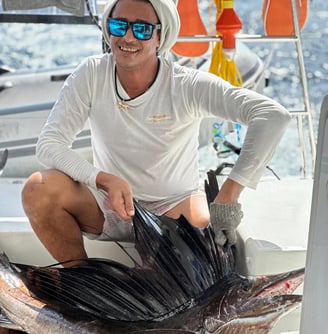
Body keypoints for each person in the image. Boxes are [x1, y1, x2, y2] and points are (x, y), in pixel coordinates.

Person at [22, 0, 291, 267]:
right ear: (108, 30)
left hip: (173, 208)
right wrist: (103, 180)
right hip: (108, 206)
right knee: (37, 189)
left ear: (160, 36)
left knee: (201, 273)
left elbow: (272, 116)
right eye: (119, 25)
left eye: (142, 29)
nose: (127, 37)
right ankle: (80, 280)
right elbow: (49, 145)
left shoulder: (188, 84)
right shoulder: (91, 73)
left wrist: (228, 196)